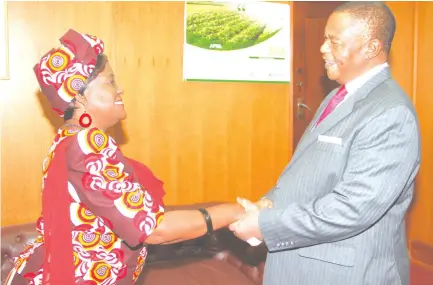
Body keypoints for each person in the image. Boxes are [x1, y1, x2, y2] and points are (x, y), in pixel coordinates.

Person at [4, 29, 259, 285]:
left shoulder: (68, 139)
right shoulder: (88, 142)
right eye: (110, 81)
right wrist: (235, 211)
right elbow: (154, 230)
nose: (119, 89)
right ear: (80, 94)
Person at [229, 2, 421, 285]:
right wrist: (266, 204)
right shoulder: (338, 97)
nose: (322, 48)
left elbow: (353, 208)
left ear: (371, 48)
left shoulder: (390, 113)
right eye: (324, 38)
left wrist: (265, 224)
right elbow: (309, 173)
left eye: (334, 41)